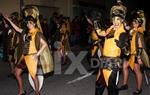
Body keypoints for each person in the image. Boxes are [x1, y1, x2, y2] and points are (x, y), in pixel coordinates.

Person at [4, 15, 53, 95]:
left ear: (34, 23)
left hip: (32, 57)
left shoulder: (37, 33)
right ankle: (21, 91)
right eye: (27, 23)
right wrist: (9, 20)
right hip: (24, 57)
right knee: (17, 73)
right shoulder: (26, 32)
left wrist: (37, 54)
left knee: (33, 76)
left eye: (30, 23)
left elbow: (45, 44)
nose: (28, 25)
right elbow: (17, 29)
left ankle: (37, 92)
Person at [95, 2, 127, 95]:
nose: (116, 22)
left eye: (118, 19)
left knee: (112, 88)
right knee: (99, 83)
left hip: (113, 63)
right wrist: (95, 23)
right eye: (114, 19)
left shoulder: (122, 33)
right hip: (104, 60)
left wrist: (123, 46)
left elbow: (127, 52)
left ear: (122, 20)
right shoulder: (111, 28)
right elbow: (102, 33)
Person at [118, 12, 149, 94]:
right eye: (133, 22)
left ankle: (139, 89)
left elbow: (140, 47)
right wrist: (122, 18)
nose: (134, 23)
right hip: (130, 53)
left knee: (136, 71)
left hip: (136, 55)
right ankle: (125, 85)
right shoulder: (132, 30)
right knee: (124, 66)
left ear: (139, 24)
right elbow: (126, 26)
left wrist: (138, 58)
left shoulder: (139, 32)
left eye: (136, 22)